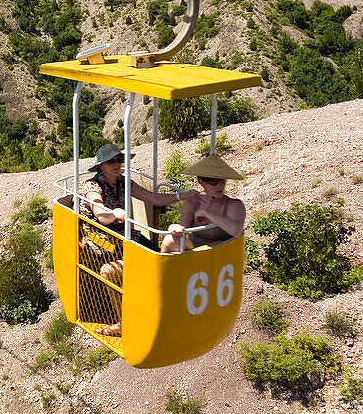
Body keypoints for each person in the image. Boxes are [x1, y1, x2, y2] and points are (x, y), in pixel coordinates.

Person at [80, 143, 188, 336]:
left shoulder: (124, 182)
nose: (116, 164)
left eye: (119, 160)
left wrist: (181, 196)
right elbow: (100, 214)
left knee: (154, 254)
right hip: (98, 235)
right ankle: (126, 320)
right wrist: (113, 213)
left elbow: (153, 198)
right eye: (110, 161)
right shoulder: (92, 185)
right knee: (135, 262)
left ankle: (161, 305)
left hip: (121, 232)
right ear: (101, 165)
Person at [161, 153, 246, 253]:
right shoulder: (193, 201)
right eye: (213, 181)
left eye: (223, 181)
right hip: (195, 251)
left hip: (221, 255)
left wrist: (206, 213)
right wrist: (174, 228)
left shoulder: (234, 205)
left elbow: (236, 231)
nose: (219, 186)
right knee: (170, 240)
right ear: (201, 182)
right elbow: (182, 227)